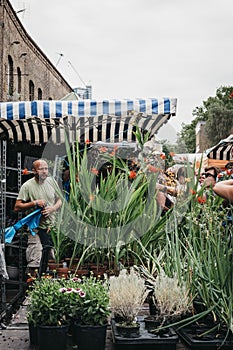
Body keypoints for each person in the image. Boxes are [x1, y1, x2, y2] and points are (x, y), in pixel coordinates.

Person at [14, 159, 62, 276]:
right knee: (35, 260)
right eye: (41, 169)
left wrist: (52, 209)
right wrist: (34, 203)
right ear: (34, 171)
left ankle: (47, 290)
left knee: (52, 259)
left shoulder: (52, 182)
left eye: (46, 168)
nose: (44, 171)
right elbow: (17, 206)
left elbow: (60, 200)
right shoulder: (27, 186)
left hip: (51, 227)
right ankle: (32, 290)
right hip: (34, 228)